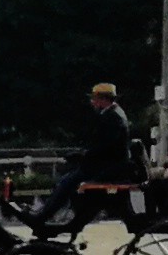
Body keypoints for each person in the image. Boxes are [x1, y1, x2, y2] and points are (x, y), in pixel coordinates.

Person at [40, 82, 145, 235]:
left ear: (104, 99)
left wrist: (83, 155)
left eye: (94, 99)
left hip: (111, 167)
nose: (92, 102)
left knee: (69, 181)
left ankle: (43, 216)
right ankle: (53, 216)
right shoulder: (111, 114)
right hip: (109, 164)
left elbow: (106, 147)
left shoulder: (113, 117)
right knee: (70, 177)